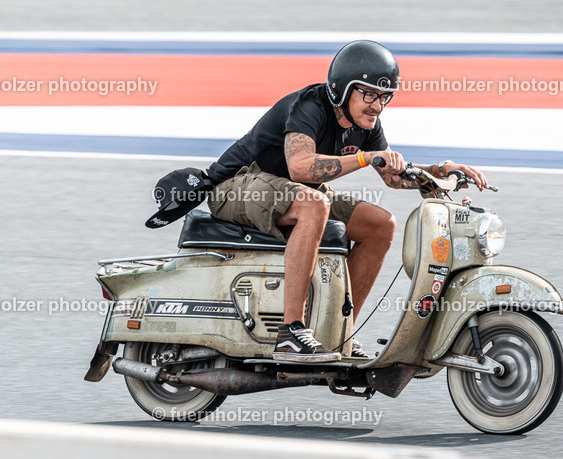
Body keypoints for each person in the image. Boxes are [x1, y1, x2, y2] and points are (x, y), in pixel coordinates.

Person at [205, 40, 488, 362]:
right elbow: (300, 165)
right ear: (342, 89)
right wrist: (367, 158)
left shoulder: (366, 124)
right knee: (314, 204)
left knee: (380, 225)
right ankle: (290, 334)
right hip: (237, 185)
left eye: (384, 97)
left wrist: (441, 170)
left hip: (289, 188)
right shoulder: (309, 106)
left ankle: (339, 332)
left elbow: (393, 175)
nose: (377, 106)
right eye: (368, 94)